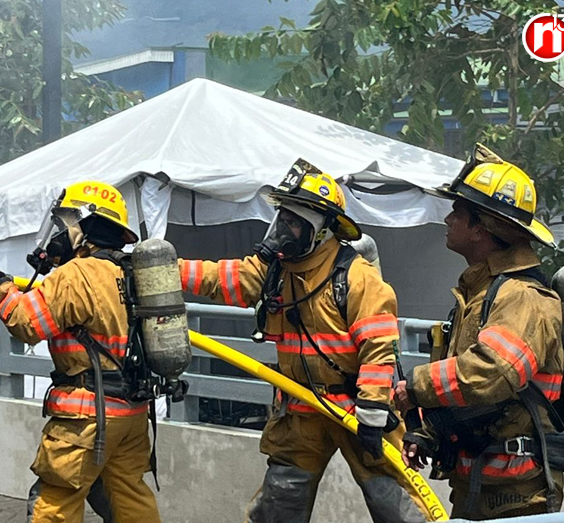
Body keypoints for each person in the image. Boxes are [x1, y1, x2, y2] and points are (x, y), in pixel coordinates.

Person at [179, 159, 429, 523]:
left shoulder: (357, 279)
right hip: (300, 409)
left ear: (323, 231)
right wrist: (162, 270)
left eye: (294, 223)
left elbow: (379, 349)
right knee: (281, 503)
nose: (283, 230)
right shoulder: (275, 272)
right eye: (282, 219)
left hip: (356, 411)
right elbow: (221, 278)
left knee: (393, 503)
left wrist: (373, 415)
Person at [0, 180, 161, 523]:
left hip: (87, 418)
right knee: (129, 498)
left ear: (83, 227)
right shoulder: (130, 272)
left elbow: (26, 323)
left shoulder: (77, 274)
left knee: (55, 503)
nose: (58, 233)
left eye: (64, 223)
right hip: (131, 415)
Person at [394, 144, 564, 520]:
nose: (448, 219)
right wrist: (429, 431)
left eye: (458, 211)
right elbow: (474, 400)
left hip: (517, 498)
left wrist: (416, 385)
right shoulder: (480, 294)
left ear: (482, 226)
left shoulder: (523, 298)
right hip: (476, 486)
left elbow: (493, 373)